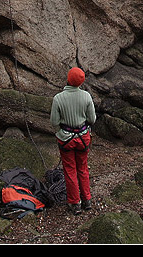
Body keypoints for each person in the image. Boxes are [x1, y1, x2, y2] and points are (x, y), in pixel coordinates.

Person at [50, 67, 96, 215]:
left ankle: (75, 203)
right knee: (82, 168)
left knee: (70, 170)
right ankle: (87, 200)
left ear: (68, 79)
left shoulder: (58, 98)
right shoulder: (86, 96)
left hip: (66, 139)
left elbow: (54, 122)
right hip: (83, 138)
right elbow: (92, 119)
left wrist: (59, 133)